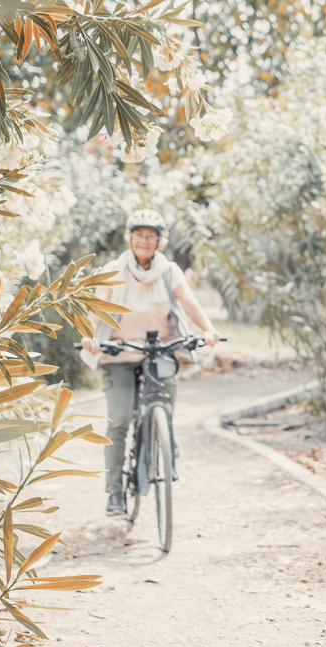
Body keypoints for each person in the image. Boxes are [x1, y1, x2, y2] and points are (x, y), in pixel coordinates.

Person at [81, 209, 221, 516]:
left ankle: (165, 440)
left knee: (165, 395)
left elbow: (189, 301)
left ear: (159, 241)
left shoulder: (169, 271)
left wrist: (208, 328)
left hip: (158, 350)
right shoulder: (113, 270)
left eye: (151, 236)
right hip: (119, 351)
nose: (145, 241)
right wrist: (89, 335)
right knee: (118, 421)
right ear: (130, 238)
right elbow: (96, 306)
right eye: (139, 235)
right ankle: (115, 492)